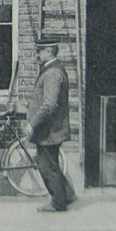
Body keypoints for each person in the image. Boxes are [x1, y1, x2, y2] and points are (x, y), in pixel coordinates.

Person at [26, 37, 76, 214]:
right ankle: (68, 195)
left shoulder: (52, 73)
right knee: (51, 162)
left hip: (50, 130)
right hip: (52, 129)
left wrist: (32, 124)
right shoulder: (52, 69)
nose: (37, 55)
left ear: (49, 51)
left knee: (46, 165)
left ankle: (58, 202)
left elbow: (48, 104)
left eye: (40, 51)